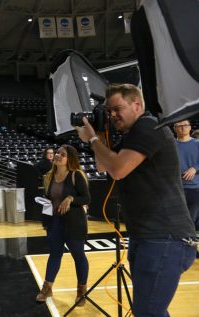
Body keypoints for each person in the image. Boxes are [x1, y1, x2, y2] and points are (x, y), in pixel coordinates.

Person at [75, 83, 196, 316]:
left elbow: (118, 169)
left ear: (137, 104)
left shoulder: (149, 126)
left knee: (147, 311)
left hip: (164, 237)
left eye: (117, 108)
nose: (112, 115)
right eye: (109, 111)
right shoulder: (133, 134)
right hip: (148, 236)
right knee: (149, 310)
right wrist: (99, 135)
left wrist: (92, 140)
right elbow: (104, 166)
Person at [36, 145, 90, 307]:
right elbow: (48, 199)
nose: (58, 155)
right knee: (54, 255)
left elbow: (86, 198)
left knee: (78, 256)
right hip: (55, 223)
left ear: (69, 159)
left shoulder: (76, 175)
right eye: (57, 153)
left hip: (74, 224)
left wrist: (71, 198)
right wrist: (45, 220)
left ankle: (81, 291)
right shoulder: (49, 176)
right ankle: (47, 288)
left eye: (62, 154)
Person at [174, 120, 199, 231]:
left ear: (190, 128)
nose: (183, 127)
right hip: (176, 189)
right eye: (179, 125)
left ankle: (190, 246)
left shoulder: (197, 143)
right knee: (177, 220)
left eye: (185, 125)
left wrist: (195, 168)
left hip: (195, 189)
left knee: (191, 220)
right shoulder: (171, 145)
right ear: (175, 129)